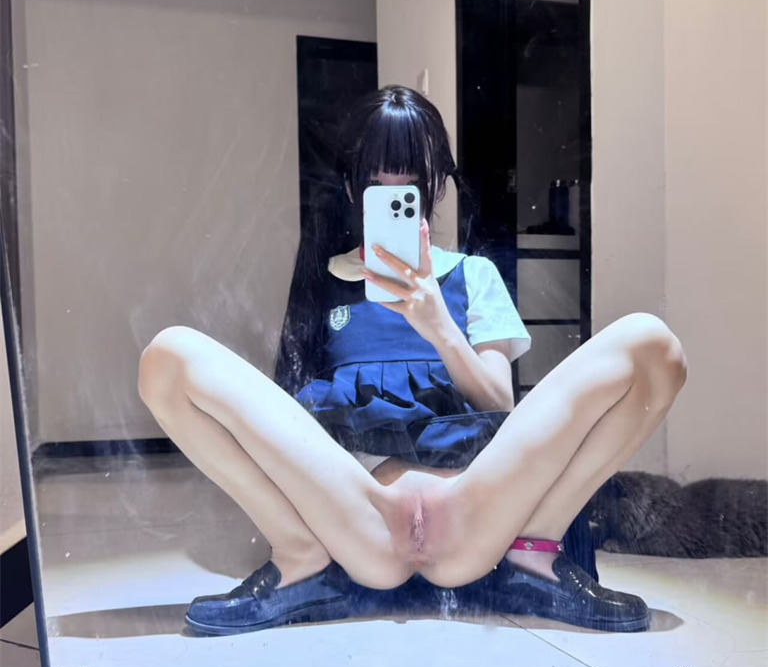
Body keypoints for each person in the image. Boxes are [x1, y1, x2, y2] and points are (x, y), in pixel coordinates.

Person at [137, 85, 687, 636]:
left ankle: (532, 553)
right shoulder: (324, 280)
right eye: (376, 185)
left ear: (432, 188)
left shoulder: (474, 276)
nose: (393, 198)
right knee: (169, 358)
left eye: (408, 186)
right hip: (361, 522)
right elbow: (291, 424)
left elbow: (500, 403)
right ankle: (299, 554)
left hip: (474, 515)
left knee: (652, 346)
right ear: (352, 189)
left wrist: (438, 325)